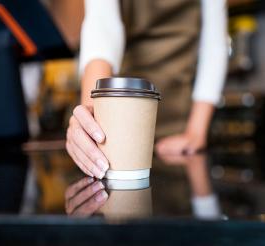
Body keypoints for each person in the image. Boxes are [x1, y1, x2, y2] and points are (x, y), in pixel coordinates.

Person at [66, 0, 228, 178]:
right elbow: (102, 27)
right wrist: (91, 121)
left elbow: (214, 45)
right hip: (117, 128)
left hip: (177, 129)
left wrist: (196, 132)